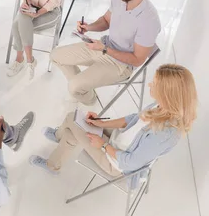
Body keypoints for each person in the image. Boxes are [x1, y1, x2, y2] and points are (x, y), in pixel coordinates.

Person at [29, 64, 197, 178]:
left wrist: (103, 145)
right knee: (76, 126)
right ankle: (56, 153)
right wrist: (101, 123)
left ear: (167, 93)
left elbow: (131, 162)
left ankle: (56, 147)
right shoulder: (162, 105)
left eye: (155, 84)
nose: (150, 85)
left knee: (71, 120)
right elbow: (132, 119)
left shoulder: (165, 134)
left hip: (116, 162)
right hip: (118, 140)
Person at [51, 0, 161, 104]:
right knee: (55, 55)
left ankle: (89, 100)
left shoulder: (149, 20)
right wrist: (88, 27)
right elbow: (106, 20)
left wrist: (104, 49)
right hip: (104, 46)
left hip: (120, 64)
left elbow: (137, 60)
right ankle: (83, 89)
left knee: (73, 87)